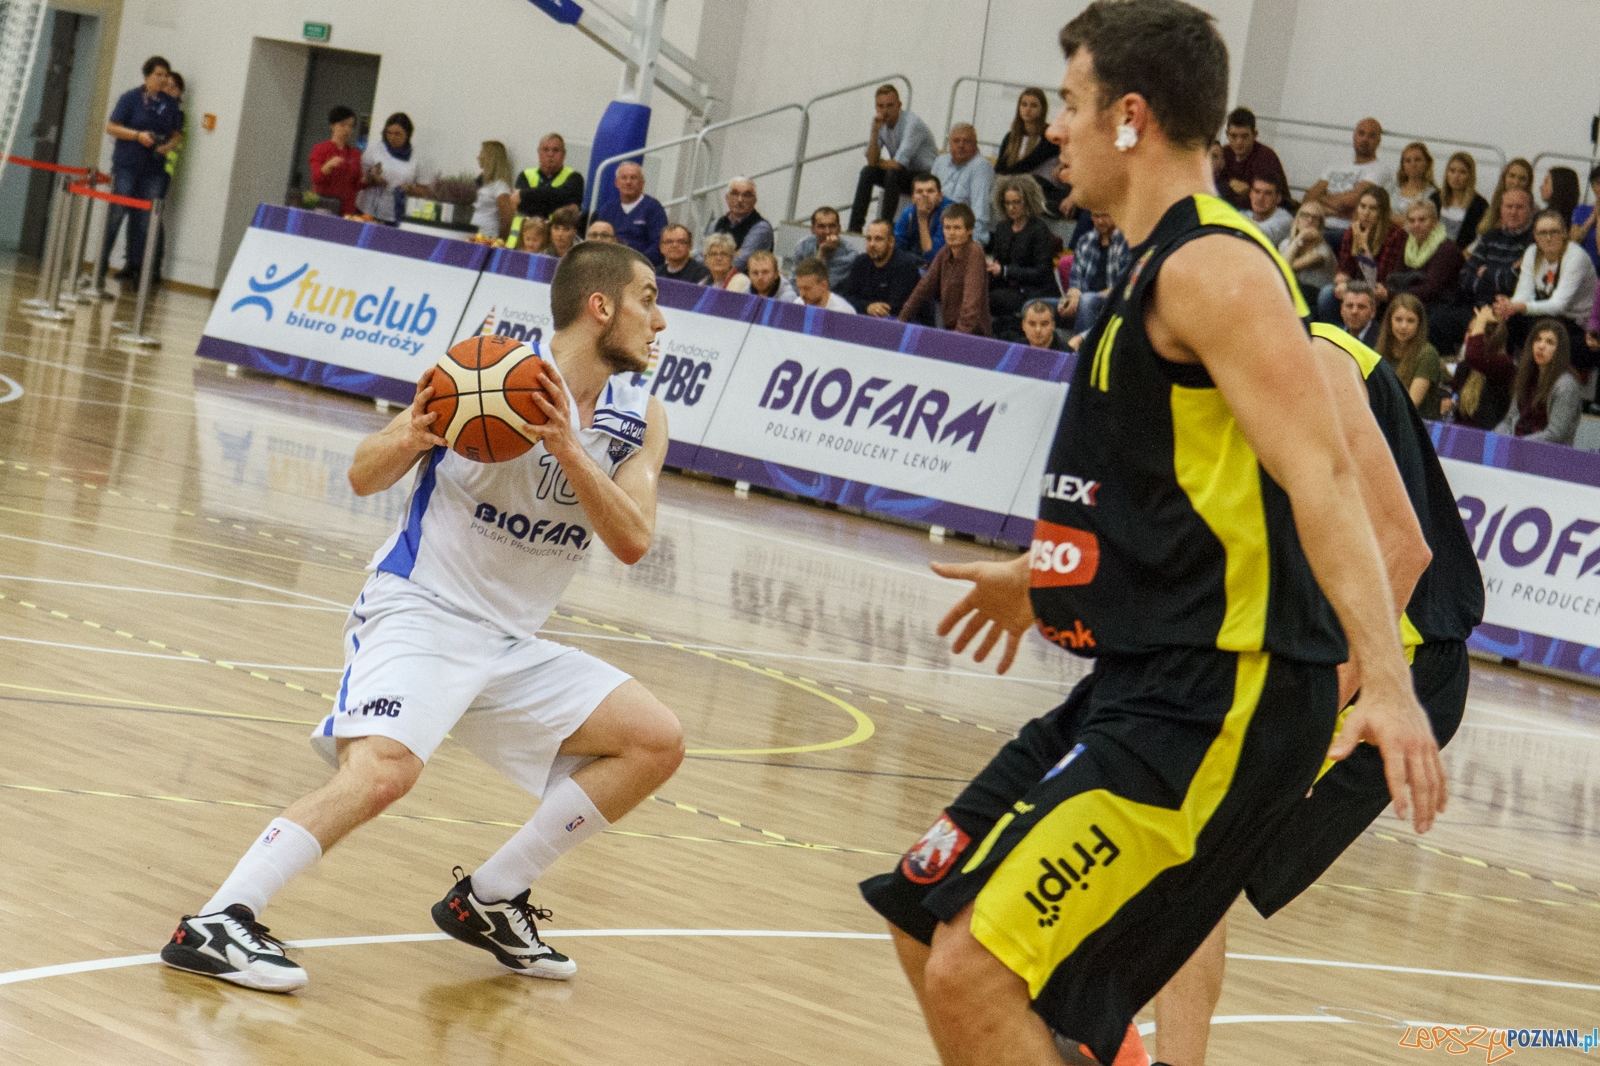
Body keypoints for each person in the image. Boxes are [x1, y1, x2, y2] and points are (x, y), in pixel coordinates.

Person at [863, 7, 1443, 1066]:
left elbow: (1320, 480)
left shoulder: (1213, 270)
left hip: (1220, 702)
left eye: (1073, 107)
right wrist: (1035, 579)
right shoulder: (1145, 270)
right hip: (1144, 683)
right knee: (922, 915)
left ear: (1131, 118)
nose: (1055, 136)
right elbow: (1173, 517)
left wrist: (1394, 685)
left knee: (971, 971)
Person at [160, 241, 685, 992]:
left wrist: (569, 449)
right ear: (600, 306)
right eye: (648, 297)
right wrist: (414, 430)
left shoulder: (642, 416)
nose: (659, 319)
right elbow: (363, 472)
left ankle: (490, 899)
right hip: (422, 608)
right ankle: (219, 920)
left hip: (510, 641)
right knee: (383, 773)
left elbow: (633, 539)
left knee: (655, 740)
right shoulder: (480, 373)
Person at [1151, 319, 1482, 1066]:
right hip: (1331, 649)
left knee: (1193, 862)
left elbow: (1403, 550)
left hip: (1398, 664)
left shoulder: (1319, 362)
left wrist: (1324, 710)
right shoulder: (1244, 375)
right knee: (1171, 848)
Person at [99, 55, 182, 285]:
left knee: (146, 220)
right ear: (147, 75)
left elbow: (176, 134)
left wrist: (168, 146)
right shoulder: (130, 98)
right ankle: (101, 265)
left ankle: (141, 270)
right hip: (127, 164)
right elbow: (112, 127)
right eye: (159, 74)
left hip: (154, 169)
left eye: (166, 75)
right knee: (116, 215)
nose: (163, 79)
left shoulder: (170, 104)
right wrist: (137, 135)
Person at [1497, 207, 1597, 358]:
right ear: (1535, 236)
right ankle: (1507, 371)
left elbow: (1558, 305)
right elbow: (1524, 293)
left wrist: (1519, 306)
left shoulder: (1575, 257)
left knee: (1538, 329)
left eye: (1554, 231)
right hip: (1550, 317)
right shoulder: (1532, 252)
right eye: (1542, 233)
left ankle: (1528, 374)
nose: (1548, 237)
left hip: (1578, 324)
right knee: (1508, 322)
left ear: (1564, 233)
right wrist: (1509, 306)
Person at [849, 84, 937, 233]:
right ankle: (854, 228)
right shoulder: (878, 123)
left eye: (890, 106)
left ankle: (885, 227)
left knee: (892, 174)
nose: (885, 111)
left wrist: (879, 162)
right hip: (903, 174)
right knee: (867, 172)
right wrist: (875, 131)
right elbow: (871, 162)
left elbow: (897, 164)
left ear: (899, 106)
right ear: (876, 107)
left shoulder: (912, 123)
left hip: (925, 176)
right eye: (881, 106)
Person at [898, 202, 989, 335]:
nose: (951, 233)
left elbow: (971, 303)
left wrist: (958, 337)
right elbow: (923, 287)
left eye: (957, 228)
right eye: (947, 227)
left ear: (969, 230)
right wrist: (901, 320)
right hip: (951, 330)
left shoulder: (975, 253)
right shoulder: (944, 251)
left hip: (974, 335)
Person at [1317, 185, 1406, 322]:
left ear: (1382, 211)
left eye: (1373, 208)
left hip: (1381, 291)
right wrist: (1342, 282)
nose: (1366, 213)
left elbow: (1378, 280)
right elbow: (1344, 270)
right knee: (1328, 293)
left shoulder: (1396, 235)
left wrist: (1364, 247)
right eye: (1362, 206)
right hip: (1356, 285)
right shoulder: (1352, 231)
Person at [986, 174, 1059, 337]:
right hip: (1008, 287)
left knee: (995, 298)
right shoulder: (1002, 228)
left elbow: (1042, 272)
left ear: (1027, 201)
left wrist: (1005, 271)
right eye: (1008, 203)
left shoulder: (1039, 230)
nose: (1011, 207)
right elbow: (998, 261)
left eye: (1016, 202)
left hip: (1035, 291)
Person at [1493, 317, 1584, 444]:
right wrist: (1494, 438)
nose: (1541, 346)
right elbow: (1509, 420)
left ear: (1559, 350)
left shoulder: (1565, 385)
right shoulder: (1526, 376)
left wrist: (1517, 444)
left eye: (1549, 342)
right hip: (1516, 447)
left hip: (1546, 455)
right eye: (1538, 339)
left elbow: (1556, 433)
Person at [1389, 199, 1464, 350]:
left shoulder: (1446, 249)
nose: (1416, 224)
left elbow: (1432, 289)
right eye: (1411, 220)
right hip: (1414, 298)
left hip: (1442, 304)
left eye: (1422, 220)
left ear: (1435, 222)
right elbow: (1395, 275)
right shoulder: (1408, 244)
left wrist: (1392, 295)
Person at [1303, 117, 1387, 248]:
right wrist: (1339, 209)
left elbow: (1350, 202)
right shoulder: (1333, 167)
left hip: (1347, 232)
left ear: (1378, 141)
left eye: (1371, 136)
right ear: (1354, 136)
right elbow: (1308, 199)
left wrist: (1322, 201)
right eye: (1361, 133)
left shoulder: (1379, 170)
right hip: (1317, 225)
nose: (1364, 139)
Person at [1059, 210, 1129, 344]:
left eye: (1104, 215)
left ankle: (1082, 355)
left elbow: (1121, 286)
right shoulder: (1085, 240)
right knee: (1034, 306)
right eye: (1096, 216)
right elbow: (1075, 282)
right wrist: (1070, 300)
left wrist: (1081, 300)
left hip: (1112, 302)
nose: (1100, 221)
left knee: (1087, 301)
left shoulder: (1126, 242)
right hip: (1083, 301)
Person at [1376, 293, 1445, 418]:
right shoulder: (1378, 352)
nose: (1403, 326)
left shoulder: (1427, 354)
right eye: (1398, 319)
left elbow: (1411, 404)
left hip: (1416, 428)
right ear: (1389, 321)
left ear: (1419, 324)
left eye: (1410, 321)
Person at [995, 87, 1066, 206]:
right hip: (1014, 183)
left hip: (1042, 187)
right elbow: (1000, 167)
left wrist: (1005, 177)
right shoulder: (1011, 136)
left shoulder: (1049, 136)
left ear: (1042, 109)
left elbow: (1030, 163)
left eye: (1033, 106)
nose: (1027, 109)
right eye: (1024, 105)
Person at [841, 219, 923, 318]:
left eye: (878, 239)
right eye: (868, 239)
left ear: (891, 242)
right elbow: (847, 297)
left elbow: (893, 308)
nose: (872, 244)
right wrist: (868, 307)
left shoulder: (905, 266)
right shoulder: (861, 262)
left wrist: (866, 306)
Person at [593, 162, 668, 268]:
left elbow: (659, 245)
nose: (628, 182)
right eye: (624, 178)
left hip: (640, 269)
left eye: (633, 178)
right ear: (616, 183)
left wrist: (634, 263)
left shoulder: (654, 208)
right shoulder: (607, 209)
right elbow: (597, 239)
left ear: (642, 183)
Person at [1449, 307, 1513, 431]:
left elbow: (1473, 355)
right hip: (1459, 434)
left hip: (1489, 438)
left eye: (1475, 332)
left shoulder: (1504, 365)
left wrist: (1482, 320)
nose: (1469, 337)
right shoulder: (1464, 367)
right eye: (1468, 331)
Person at [149, 70, 186, 285]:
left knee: (155, 218)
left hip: (163, 171)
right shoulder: (155, 109)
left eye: (172, 87)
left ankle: (154, 268)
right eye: (165, 86)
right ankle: (132, 263)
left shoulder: (178, 115)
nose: (167, 90)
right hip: (147, 167)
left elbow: (175, 141)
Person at [932, 123, 996, 244]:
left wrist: (971, 244)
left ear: (975, 145)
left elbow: (980, 213)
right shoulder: (941, 161)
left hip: (962, 233)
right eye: (956, 141)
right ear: (949, 144)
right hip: (938, 226)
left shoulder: (981, 166)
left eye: (966, 141)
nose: (961, 145)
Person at [358, 113, 428, 223]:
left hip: (395, 214)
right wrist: (373, 177)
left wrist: (408, 189)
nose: (392, 137)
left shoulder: (418, 157)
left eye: (397, 134)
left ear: (408, 134)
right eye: (389, 133)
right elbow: (360, 177)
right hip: (367, 209)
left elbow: (423, 191)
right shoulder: (375, 150)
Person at [1217, 106, 1289, 211]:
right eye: (1233, 136)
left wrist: (1250, 191)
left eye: (1244, 136)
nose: (1239, 142)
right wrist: (1228, 185)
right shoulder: (1222, 154)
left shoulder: (1266, 157)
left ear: (1255, 135)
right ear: (1227, 135)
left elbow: (1279, 198)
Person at [307, 105, 364, 219]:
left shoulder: (355, 153)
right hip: (323, 205)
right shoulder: (321, 148)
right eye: (343, 125)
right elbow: (316, 178)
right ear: (332, 125)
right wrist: (327, 166)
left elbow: (356, 185)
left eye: (350, 126)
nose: (347, 129)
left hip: (347, 209)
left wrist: (369, 180)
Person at [704, 177, 771, 272]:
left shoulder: (761, 228)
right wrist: (734, 254)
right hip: (714, 280)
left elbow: (740, 263)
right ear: (727, 198)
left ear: (754, 201)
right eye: (735, 194)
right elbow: (701, 255)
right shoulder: (716, 224)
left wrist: (713, 258)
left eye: (746, 195)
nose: (740, 200)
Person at [514, 134, 584, 219]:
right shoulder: (525, 175)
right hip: (529, 230)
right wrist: (556, 202)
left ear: (564, 155)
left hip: (558, 230)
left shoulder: (574, 177)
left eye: (555, 150)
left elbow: (565, 199)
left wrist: (524, 194)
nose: (550, 154)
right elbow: (520, 205)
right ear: (539, 153)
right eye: (545, 150)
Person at [792, 206, 859, 289]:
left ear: (839, 229)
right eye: (821, 227)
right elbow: (794, 281)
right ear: (813, 229)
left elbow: (822, 287)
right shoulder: (803, 246)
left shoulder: (849, 254)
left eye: (832, 226)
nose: (827, 232)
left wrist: (822, 254)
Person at [895, 173, 955, 264]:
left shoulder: (949, 214)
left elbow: (934, 257)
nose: (925, 195)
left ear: (940, 196)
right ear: (913, 198)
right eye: (919, 192)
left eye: (930, 191)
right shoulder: (908, 212)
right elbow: (897, 247)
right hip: (913, 262)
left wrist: (922, 219)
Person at [1429, 151, 1488, 244]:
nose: (1456, 177)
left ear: (1470, 176)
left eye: (1462, 172)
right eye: (1452, 171)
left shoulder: (1479, 205)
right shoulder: (1435, 198)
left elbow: (1479, 239)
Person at [1280, 201, 1336, 295]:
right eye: (1305, 215)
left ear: (1320, 225)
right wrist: (1298, 240)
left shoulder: (1322, 250)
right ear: (1297, 221)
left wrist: (1301, 236)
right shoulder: (1285, 244)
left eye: (1315, 218)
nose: (1310, 220)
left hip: (1314, 295)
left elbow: (1284, 268)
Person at [1476, 157, 1533, 239]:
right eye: (1512, 176)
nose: (1516, 182)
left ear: (1528, 183)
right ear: (1504, 177)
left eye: (1522, 179)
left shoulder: (1532, 210)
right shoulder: (1496, 202)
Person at [472, 141, 513, 240]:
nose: (478, 157)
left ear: (491, 157)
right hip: (475, 233)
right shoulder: (481, 182)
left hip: (488, 236)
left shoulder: (500, 186)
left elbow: (507, 218)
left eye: (482, 154)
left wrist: (500, 241)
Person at [1386, 141, 1436, 224]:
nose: (1413, 164)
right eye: (1408, 161)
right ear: (1403, 165)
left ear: (1427, 163)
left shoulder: (1432, 195)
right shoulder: (1392, 187)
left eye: (1417, 160)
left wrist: (1392, 217)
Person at [792, 255, 857, 313]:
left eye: (807, 288)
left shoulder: (844, 312)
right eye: (800, 288)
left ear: (824, 285)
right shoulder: (797, 305)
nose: (802, 294)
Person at [1567, 164, 1600, 272]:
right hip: (1581, 269)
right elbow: (1573, 241)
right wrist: (1592, 218)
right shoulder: (1582, 210)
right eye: (1596, 183)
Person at [1245, 176, 1292, 246]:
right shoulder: (1246, 215)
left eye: (1267, 193)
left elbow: (1261, 235)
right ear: (1250, 194)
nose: (1260, 198)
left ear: (1278, 198)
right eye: (1257, 191)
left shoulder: (1284, 220)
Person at [1339, 280, 1381, 346]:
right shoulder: (1332, 338)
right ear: (1341, 309)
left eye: (1361, 307)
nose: (1354, 311)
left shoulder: (1382, 341)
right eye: (1349, 306)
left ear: (1373, 311)